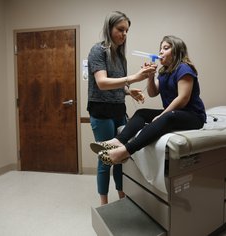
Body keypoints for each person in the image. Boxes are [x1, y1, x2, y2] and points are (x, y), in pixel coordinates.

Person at [90, 35, 206, 166]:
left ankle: (125, 152)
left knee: (168, 117)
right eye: (160, 49)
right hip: (175, 113)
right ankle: (119, 141)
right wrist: (150, 77)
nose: (161, 51)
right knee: (142, 113)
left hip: (193, 116)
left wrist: (162, 115)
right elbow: (152, 92)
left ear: (177, 51)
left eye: (166, 48)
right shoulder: (164, 72)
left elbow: (183, 99)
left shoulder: (184, 68)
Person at [87, 11, 156, 205]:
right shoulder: (98, 51)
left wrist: (129, 91)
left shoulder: (121, 57)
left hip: (119, 110)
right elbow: (101, 82)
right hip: (101, 111)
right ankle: (103, 203)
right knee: (106, 158)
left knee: (121, 156)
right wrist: (134, 77)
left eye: (126, 30)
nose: (124, 34)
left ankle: (122, 196)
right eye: (120, 29)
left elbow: (118, 84)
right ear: (109, 28)